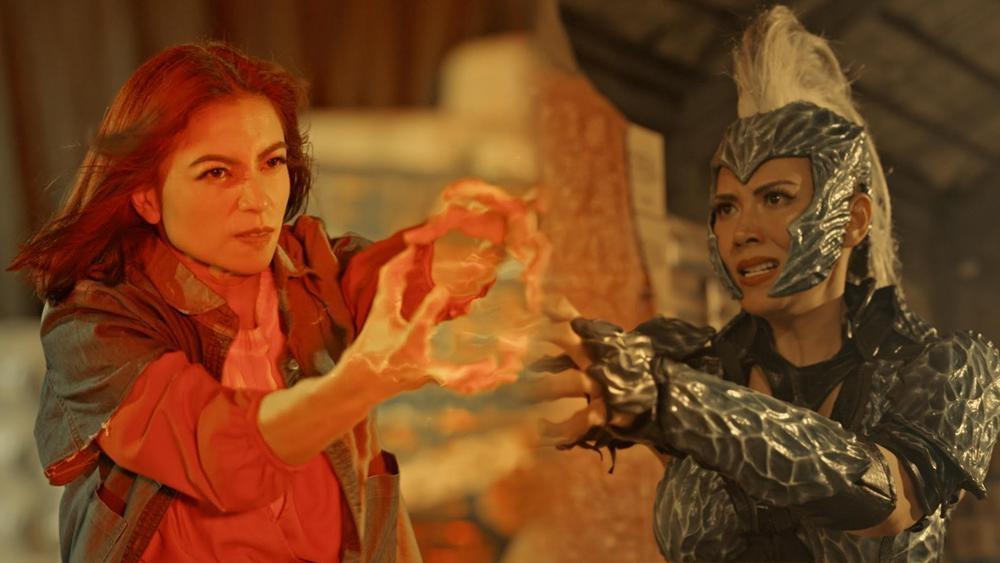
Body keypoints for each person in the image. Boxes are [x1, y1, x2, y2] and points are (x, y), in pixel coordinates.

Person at [10, 42, 539, 562]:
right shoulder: (93, 320)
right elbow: (223, 456)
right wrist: (357, 384)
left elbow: (409, 273)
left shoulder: (311, 266)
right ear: (147, 196)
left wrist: (495, 234)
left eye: (271, 162)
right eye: (217, 172)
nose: (258, 199)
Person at [532, 7, 1000, 561]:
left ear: (853, 220)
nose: (742, 232)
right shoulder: (695, 364)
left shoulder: (949, 369)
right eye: (727, 207)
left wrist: (671, 399)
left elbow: (884, 496)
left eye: (776, 198)